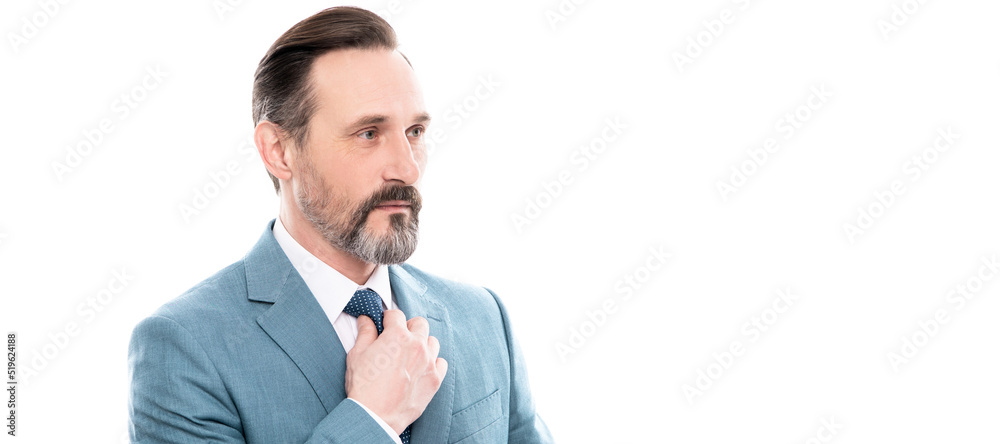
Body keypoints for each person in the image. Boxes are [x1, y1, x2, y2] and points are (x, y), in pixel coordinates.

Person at [127, 6, 553, 443]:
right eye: (368, 133)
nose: (407, 168)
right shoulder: (184, 347)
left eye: (415, 132)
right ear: (279, 151)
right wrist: (372, 419)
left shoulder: (483, 317)